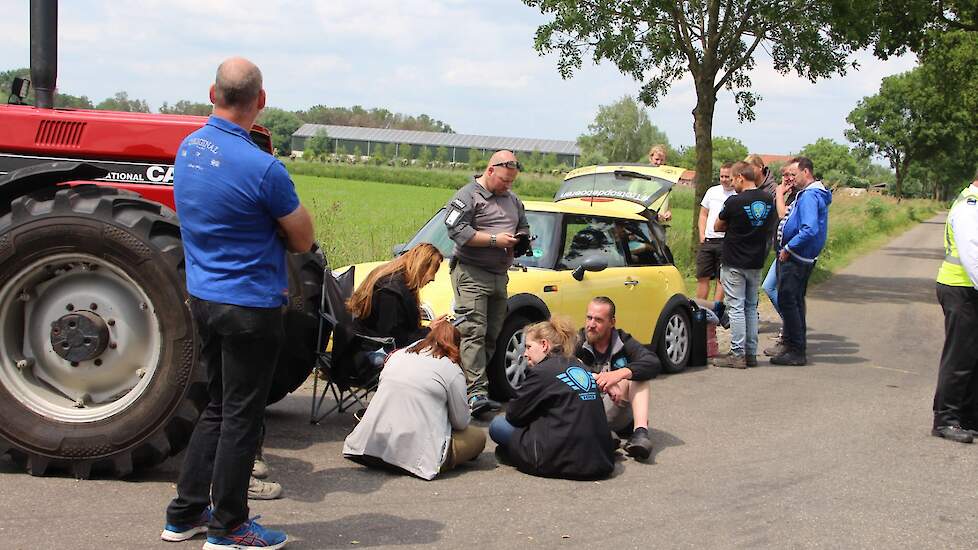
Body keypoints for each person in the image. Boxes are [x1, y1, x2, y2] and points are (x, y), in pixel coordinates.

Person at [162, 57, 313, 549]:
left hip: (204, 300)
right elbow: (303, 239)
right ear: (261, 101)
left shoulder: (188, 148)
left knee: (217, 408)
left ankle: (184, 514)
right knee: (242, 419)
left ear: (212, 92)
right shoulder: (263, 166)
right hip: (251, 306)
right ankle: (229, 527)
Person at [444, 150, 530, 417]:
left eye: (511, 182)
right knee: (473, 331)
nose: (507, 186)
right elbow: (456, 230)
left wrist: (522, 239)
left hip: (499, 275)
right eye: (504, 180)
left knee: (492, 334)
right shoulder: (467, 196)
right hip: (472, 272)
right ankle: (475, 393)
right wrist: (494, 241)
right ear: (490, 170)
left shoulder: (513, 200)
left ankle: (465, 387)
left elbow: (524, 225)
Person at [343, 322, 487, 477]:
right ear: (456, 346)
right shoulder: (451, 369)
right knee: (478, 437)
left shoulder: (397, 356)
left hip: (367, 446)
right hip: (416, 458)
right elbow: (460, 422)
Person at [489, 317, 615, 480]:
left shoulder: (542, 372)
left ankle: (516, 453)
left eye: (528, 347)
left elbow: (514, 415)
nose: (525, 353)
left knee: (498, 425)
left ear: (544, 345)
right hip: (601, 461)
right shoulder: (580, 366)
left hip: (559, 460)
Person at [574, 297, 660, 460]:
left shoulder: (623, 341)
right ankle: (603, 434)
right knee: (573, 365)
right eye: (589, 318)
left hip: (614, 409)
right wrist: (597, 378)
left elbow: (653, 362)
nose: (591, 324)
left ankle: (640, 434)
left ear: (612, 322)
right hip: (585, 410)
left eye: (598, 320)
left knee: (636, 375)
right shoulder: (578, 340)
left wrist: (618, 374)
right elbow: (559, 362)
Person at [713, 162, 776, 369]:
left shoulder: (734, 201)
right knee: (751, 307)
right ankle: (751, 353)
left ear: (740, 177)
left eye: (732, 179)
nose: (731, 183)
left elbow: (718, 225)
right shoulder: (768, 199)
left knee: (736, 308)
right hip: (756, 260)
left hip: (734, 261)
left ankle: (737, 354)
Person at [931, 169, 978, 444]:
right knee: (959, 357)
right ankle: (946, 419)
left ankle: (968, 417)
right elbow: (973, 254)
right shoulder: (969, 206)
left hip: (968, 288)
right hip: (960, 288)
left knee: (972, 358)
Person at [771, 156, 832, 366]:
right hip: (801, 256)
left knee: (789, 301)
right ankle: (790, 343)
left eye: (794, 175)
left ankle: (797, 351)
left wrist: (789, 247)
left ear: (806, 172)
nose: (792, 180)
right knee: (793, 301)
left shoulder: (809, 196)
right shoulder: (809, 194)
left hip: (797, 258)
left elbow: (809, 228)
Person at [347, 242, 444, 347]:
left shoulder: (394, 281)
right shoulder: (391, 293)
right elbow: (396, 340)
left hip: (367, 342)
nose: (433, 278)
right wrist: (429, 331)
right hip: (373, 350)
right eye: (434, 271)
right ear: (422, 266)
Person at [763, 165, 798, 356]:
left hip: (790, 253)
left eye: (792, 175)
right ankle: (789, 327)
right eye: (785, 175)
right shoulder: (792, 194)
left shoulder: (798, 196)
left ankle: (790, 330)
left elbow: (783, 214)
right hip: (782, 251)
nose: (788, 178)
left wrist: (778, 193)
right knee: (770, 287)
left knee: (778, 290)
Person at [697, 162, 736, 302]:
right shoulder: (712, 191)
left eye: (727, 176)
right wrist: (702, 234)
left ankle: (716, 311)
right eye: (722, 176)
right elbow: (703, 214)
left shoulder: (737, 194)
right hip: (708, 240)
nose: (724, 179)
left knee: (722, 279)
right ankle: (700, 309)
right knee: (702, 276)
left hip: (726, 242)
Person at [648, 144, 673, 223]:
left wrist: (668, 213)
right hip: (644, 222)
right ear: (650, 158)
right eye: (656, 159)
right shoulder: (642, 176)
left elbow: (667, 201)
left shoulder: (666, 179)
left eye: (662, 160)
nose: (659, 162)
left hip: (659, 224)